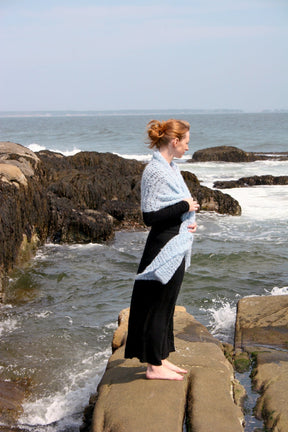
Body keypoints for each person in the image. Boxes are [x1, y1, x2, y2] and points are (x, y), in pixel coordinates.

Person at [124, 119, 199, 381]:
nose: (189, 147)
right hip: (162, 246)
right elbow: (150, 216)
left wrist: (186, 220)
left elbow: (177, 208)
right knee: (157, 304)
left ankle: (161, 357)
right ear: (175, 141)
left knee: (167, 305)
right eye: (187, 142)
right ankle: (153, 366)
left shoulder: (171, 168)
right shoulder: (155, 171)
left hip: (175, 241)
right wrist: (185, 206)